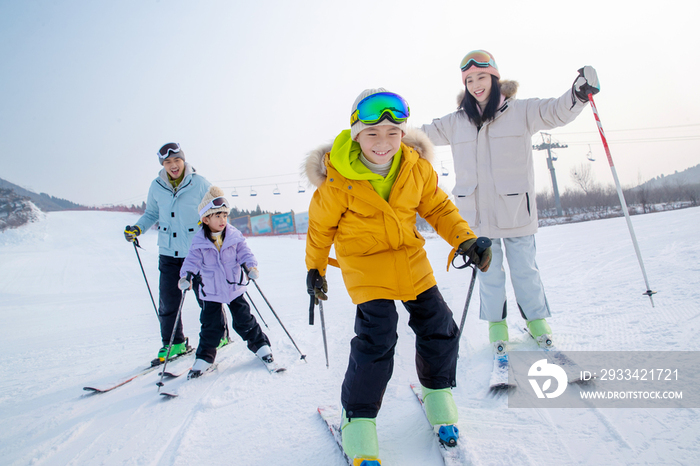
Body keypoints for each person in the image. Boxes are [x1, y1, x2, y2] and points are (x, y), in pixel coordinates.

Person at [303, 88, 491, 464]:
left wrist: (465, 240)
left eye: (393, 133)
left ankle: (437, 392)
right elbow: (320, 229)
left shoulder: (414, 167)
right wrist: (315, 268)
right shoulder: (338, 179)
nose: (383, 143)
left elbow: (438, 207)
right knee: (378, 336)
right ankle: (357, 417)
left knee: (439, 324)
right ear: (357, 135)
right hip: (365, 263)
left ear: (403, 135)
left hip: (409, 259)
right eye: (372, 134)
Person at [420, 50, 600, 353]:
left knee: (525, 271)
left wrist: (578, 94)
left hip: (516, 211)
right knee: (489, 274)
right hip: (476, 218)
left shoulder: (521, 112)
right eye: (470, 80)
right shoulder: (455, 122)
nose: (476, 85)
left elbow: (556, 111)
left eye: (481, 77)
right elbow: (419, 136)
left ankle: (537, 323)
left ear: (494, 78)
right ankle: (497, 328)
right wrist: (384, 133)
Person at [124, 142, 213, 364]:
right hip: (168, 254)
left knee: (207, 297)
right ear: (162, 164)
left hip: (197, 252)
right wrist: (138, 228)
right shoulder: (156, 186)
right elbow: (151, 213)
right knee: (168, 301)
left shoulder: (200, 183)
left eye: (176, 161)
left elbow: (216, 210)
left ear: (184, 161)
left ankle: (217, 336)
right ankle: (174, 343)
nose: (173, 166)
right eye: (167, 162)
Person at [178, 186, 272, 379]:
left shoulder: (234, 236)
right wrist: (186, 276)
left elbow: (245, 253)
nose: (222, 220)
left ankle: (261, 346)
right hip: (211, 290)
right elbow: (191, 261)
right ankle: (204, 358)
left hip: (233, 287)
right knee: (210, 325)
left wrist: (250, 267)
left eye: (224, 215)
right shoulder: (199, 242)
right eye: (217, 216)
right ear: (205, 219)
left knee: (244, 320)